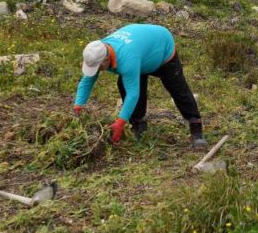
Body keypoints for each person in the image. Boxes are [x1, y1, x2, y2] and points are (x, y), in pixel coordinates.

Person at [73, 23, 207, 149]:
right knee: (124, 83)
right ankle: (139, 125)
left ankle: (196, 129)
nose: (97, 70)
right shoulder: (98, 51)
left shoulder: (127, 59)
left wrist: (120, 123)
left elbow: (133, 93)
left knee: (177, 88)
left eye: (98, 67)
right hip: (141, 51)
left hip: (161, 45)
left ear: (106, 59)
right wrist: (78, 107)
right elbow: (87, 81)